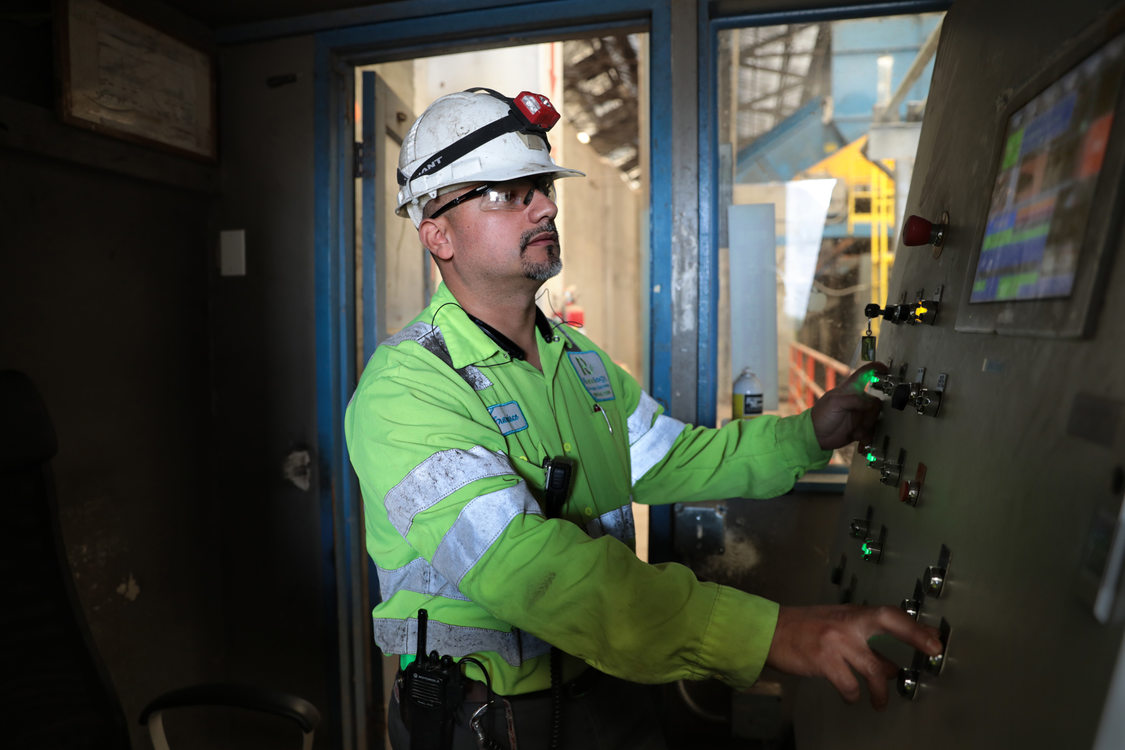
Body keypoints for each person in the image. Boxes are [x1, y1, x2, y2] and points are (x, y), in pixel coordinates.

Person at [344, 87, 942, 750]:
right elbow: (535, 573)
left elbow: (671, 458)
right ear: (437, 233)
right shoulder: (406, 392)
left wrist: (808, 434)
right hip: (491, 723)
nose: (544, 204)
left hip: (613, 684)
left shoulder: (578, 363)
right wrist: (770, 633)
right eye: (510, 192)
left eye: (541, 185)